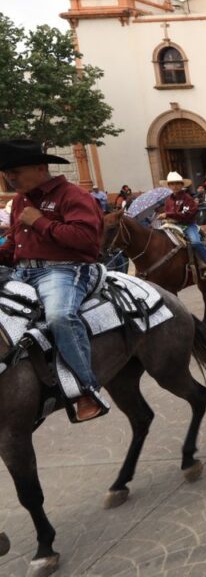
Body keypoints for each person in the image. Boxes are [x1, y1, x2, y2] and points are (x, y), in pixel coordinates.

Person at [0, 139, 108, 421]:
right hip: (23, 272)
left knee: (60, 316)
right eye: (6, 173)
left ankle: (87, 389)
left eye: (15, 171)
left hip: (65, 270)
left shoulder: (73, 196)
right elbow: (15, 245)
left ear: (40, 167)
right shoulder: (20, 201)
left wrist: (39, 221)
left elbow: (87, 241)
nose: (10, 178)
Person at [156, 172, 206, 278]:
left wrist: (167, 214)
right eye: (172, 184)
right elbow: (169, 213)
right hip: (172, 225)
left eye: (177, 183)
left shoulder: (187, 198)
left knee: (196, 242)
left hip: (187, 225)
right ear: (169, 186)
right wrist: (164, 217)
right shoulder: (168, 200)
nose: (175, 186)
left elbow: (186, 214)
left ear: (182, 185)